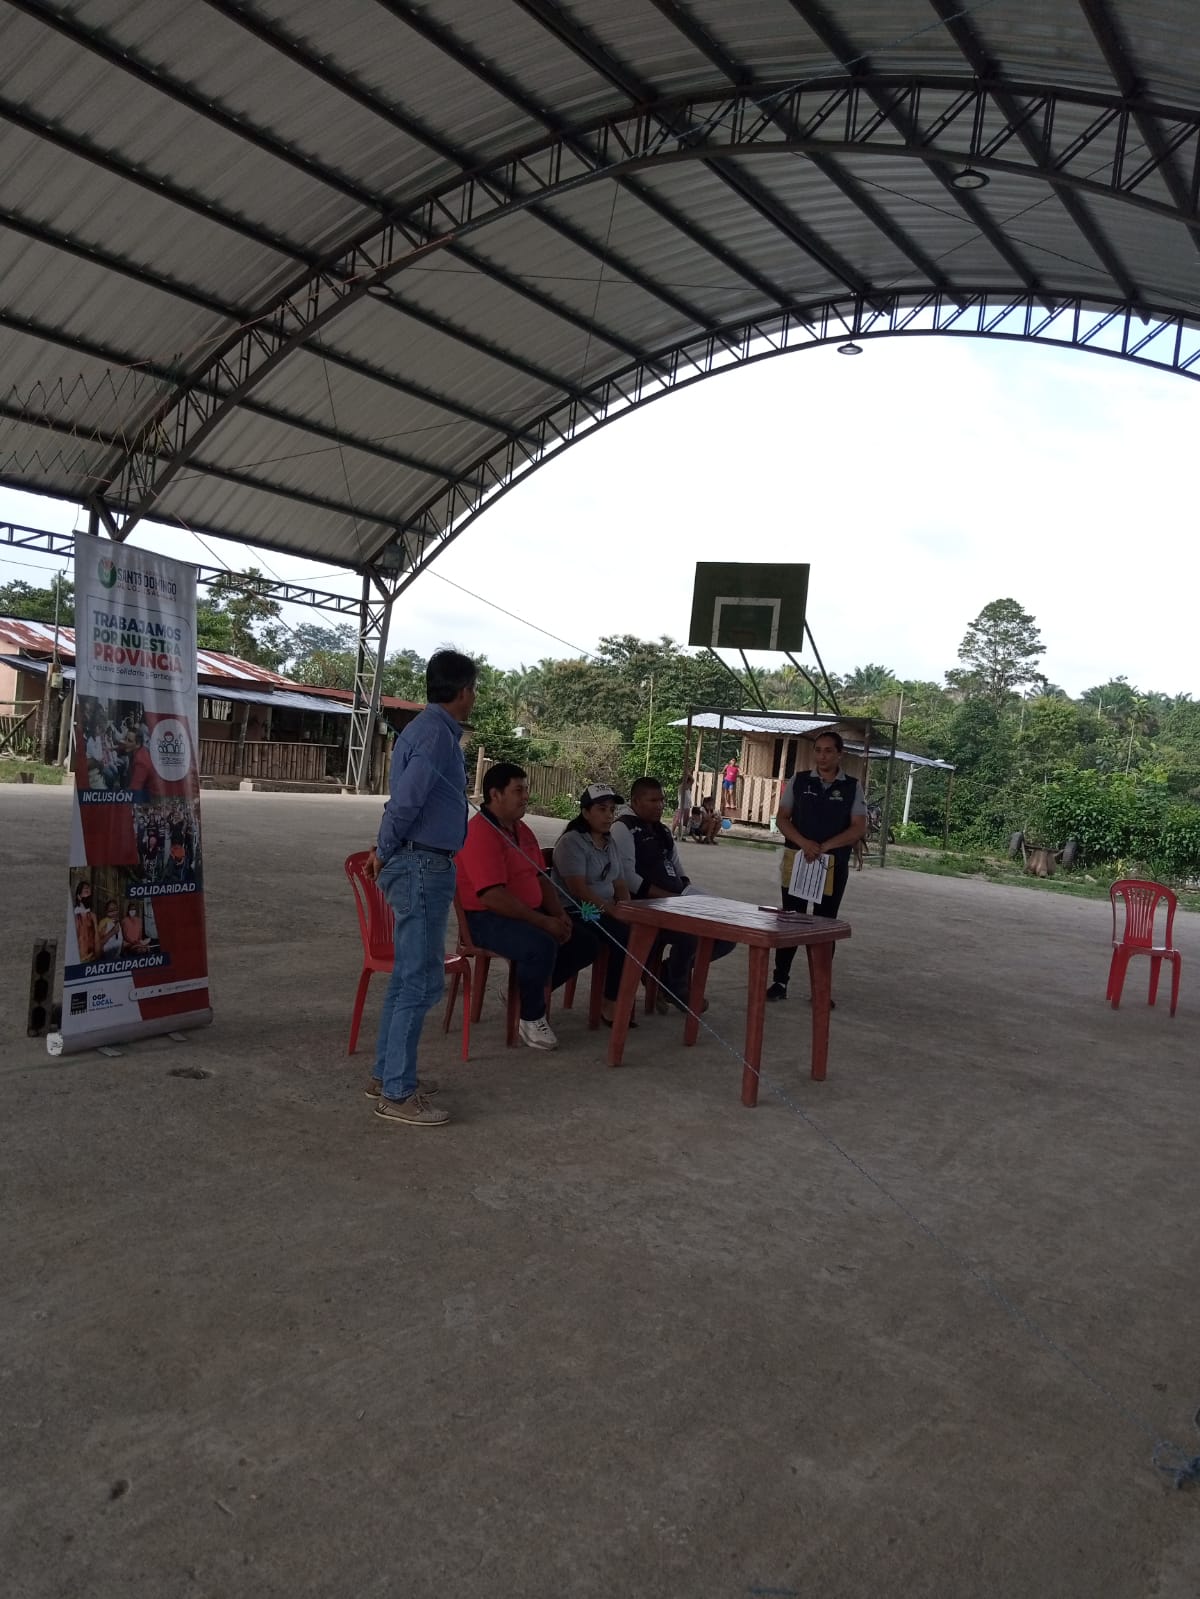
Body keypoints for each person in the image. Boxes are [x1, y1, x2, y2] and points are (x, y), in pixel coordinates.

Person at [364, 649, 477, 1127]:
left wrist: (387, 849)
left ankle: (386, 1074)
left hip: (420, 861)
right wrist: (385, 847)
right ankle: (398, 1092)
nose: (474, 697)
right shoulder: (435, 734)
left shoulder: (431, 730)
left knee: (407, 978)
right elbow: (406, 801)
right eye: (474, 689)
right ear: (464, 691)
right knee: (422, 981)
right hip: (421, 864)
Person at [456, 762, 597, 1050]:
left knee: (585, 940)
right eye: (518, 790)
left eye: (526, 789)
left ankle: (523, 993)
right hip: (485, 918)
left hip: (525, 912)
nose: (525, 796)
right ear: (495, 794)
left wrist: (558, 913)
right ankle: (531, 1018)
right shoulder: (480, 833)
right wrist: (543, 921)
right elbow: (492, 896)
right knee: (541, 943)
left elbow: (541, 877)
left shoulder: (523, 830)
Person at [613, 777, 733, 1013]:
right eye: (652, 800)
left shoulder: (662, 830)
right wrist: (669, 898)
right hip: (645, 906)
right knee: (690, 934)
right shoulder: (623, 828)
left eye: (661, 800)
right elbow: (628, 878)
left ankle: (665, 974)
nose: (659, 805)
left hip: (675, 900)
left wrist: (689, 893)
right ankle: (677, 986)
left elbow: (678, 869)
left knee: (726, 932)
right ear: (635, 801)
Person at [766, 729, 867, 1004]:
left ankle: (820, 989)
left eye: (828, 751)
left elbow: (858, 827)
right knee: (790, 920)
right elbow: (783, 818)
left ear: (839, 754)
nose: (822, 756)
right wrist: (804, 843)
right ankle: (779, 982)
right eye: (818, 750)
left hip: (832, 864)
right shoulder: (799, 781)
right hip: (798, 860)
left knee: (824, 926)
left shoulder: (852, 787)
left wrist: (825, 846)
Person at [551, 784, 633, 1027]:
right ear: (586, 812)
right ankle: (610, 1002)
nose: (609, 816)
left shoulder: (610, 843)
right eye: (602, 809)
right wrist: (613, 911)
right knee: (621, 934)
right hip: (579, 909)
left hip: (604, 908)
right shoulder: (571, 842)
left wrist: (627, 909)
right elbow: (579, 891)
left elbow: (620, 883)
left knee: (638, 931)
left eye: (612, 810)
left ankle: (622, 996)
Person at [73, 881, 98, 963]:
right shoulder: (74, 915)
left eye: (89, 893)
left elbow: (95, 938)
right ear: (79, 896)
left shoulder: (92, 916)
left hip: (91, 957)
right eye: (86, 891)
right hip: (78, 959)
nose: (89, 895)